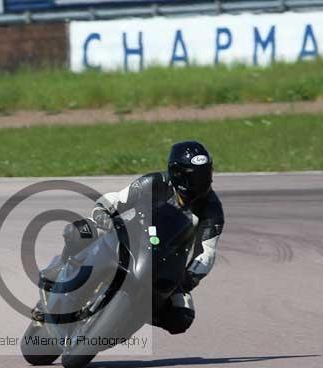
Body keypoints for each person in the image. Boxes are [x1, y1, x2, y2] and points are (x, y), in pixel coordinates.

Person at [89, 140, 224, 334]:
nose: (200, 183)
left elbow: (206, 253)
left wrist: (185, 281)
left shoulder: (212, 209)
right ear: (177, 174)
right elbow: (117, 199)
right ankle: (64, 273)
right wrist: (102, 214)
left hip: (165, 263)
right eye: (193, 178)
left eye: (205, 175)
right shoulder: (155, 183)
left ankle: (129, 316)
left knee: (181, 316)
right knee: (82, 231)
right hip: (126, 240)